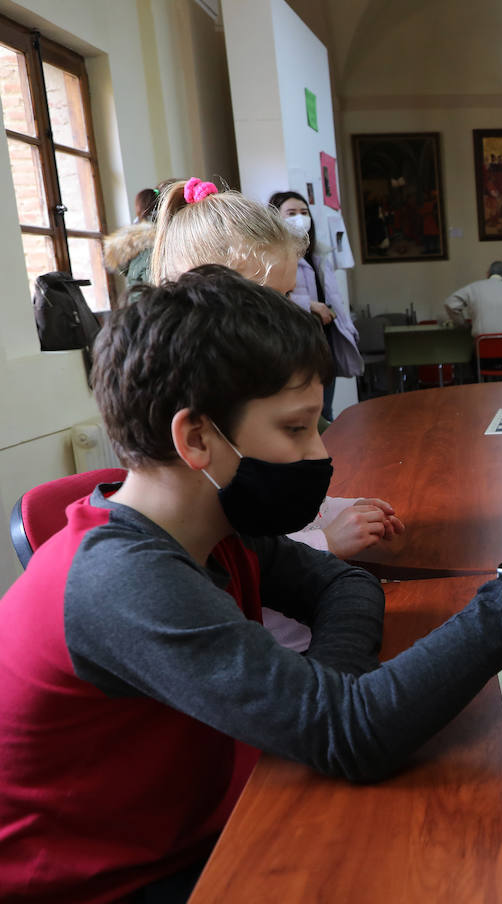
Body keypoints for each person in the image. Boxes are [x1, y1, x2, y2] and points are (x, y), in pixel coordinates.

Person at [0, 266, 502, 902]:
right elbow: (355, 736)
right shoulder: (125, 579)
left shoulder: (214, 522)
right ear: (196, 438)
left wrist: (333, 696)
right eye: (295, 428)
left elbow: (345, 589)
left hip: (198, 823)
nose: (320, 454)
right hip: (114, 885)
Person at [150, 178, 404, 649]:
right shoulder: (199, 431)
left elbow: (269, 526)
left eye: (289, 297)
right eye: (269, 298)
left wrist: (335, 513)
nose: (289, 315)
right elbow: (231, 557)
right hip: (277, 645)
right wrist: (329, 542)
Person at [268, 190, 364, 421]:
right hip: (298, 341)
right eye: (291, 213)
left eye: (304, 212)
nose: (300, 218)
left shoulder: (319, 253)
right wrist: (310, 305)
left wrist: (347, 327)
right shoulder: (273, 255)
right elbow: (271, 295)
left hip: (325, 337)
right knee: (310, 412)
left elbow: (335, 297)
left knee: (326, 408)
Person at [102, 185, 161, 289]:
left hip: (135, 295)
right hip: (156, 295)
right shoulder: (163, 231)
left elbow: (123, 268)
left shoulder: (128, 236)